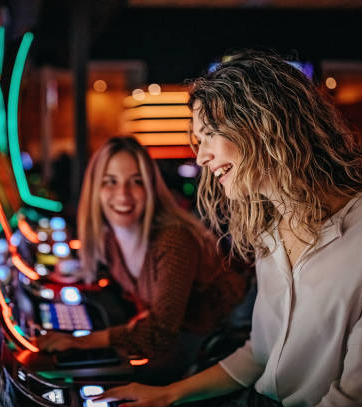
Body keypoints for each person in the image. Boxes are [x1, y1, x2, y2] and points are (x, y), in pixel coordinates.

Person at [94, 51, 362, 407]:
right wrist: (169, 395)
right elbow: (259, 355)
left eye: (208, 135)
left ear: (261, 124)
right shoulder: (269, 230)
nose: (201, 157)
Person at [37, 137, 247, 380]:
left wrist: (80, 342)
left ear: (150, 188)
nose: (123, 194)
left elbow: (160, 332)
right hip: (186, 341)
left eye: (136, 182)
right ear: (95, 189)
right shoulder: (108, 242)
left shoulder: (173, 240)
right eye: (110, 182)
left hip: (221, 347)